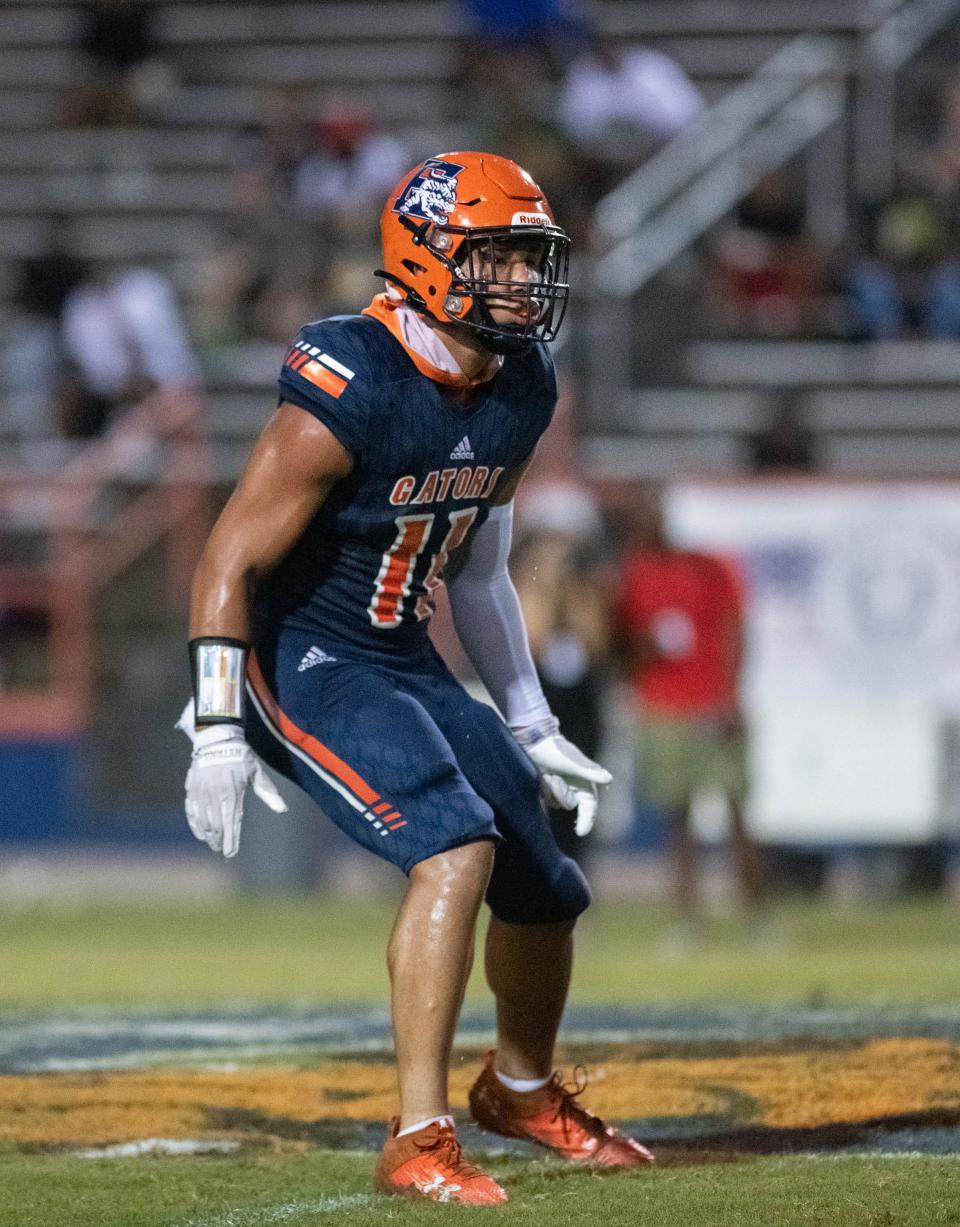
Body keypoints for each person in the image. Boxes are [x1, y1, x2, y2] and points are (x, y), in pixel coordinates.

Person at [178, 152, 653, 1205]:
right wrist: (217, 724)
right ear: (427, 256)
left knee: (544, 880)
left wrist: (527, 722)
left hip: (397, 655)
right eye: (502, 258)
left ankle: (519, 1092)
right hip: (298, 655)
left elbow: (480, 566)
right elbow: (229, 559)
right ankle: (419, 1134)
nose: (527, 283)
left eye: (534, 260)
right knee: (454, 847)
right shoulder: (354, 379)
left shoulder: (518, 380)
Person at [615, 486, 769, 947]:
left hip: (710, 703)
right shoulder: (631, 571)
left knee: (737, 813)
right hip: (661, 705)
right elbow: (620, 645)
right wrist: (643, 647)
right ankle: (687, 919)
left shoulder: (709, 564)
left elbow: (734, 627)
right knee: (676, 819)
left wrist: (729, 695)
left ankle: (758, 915)